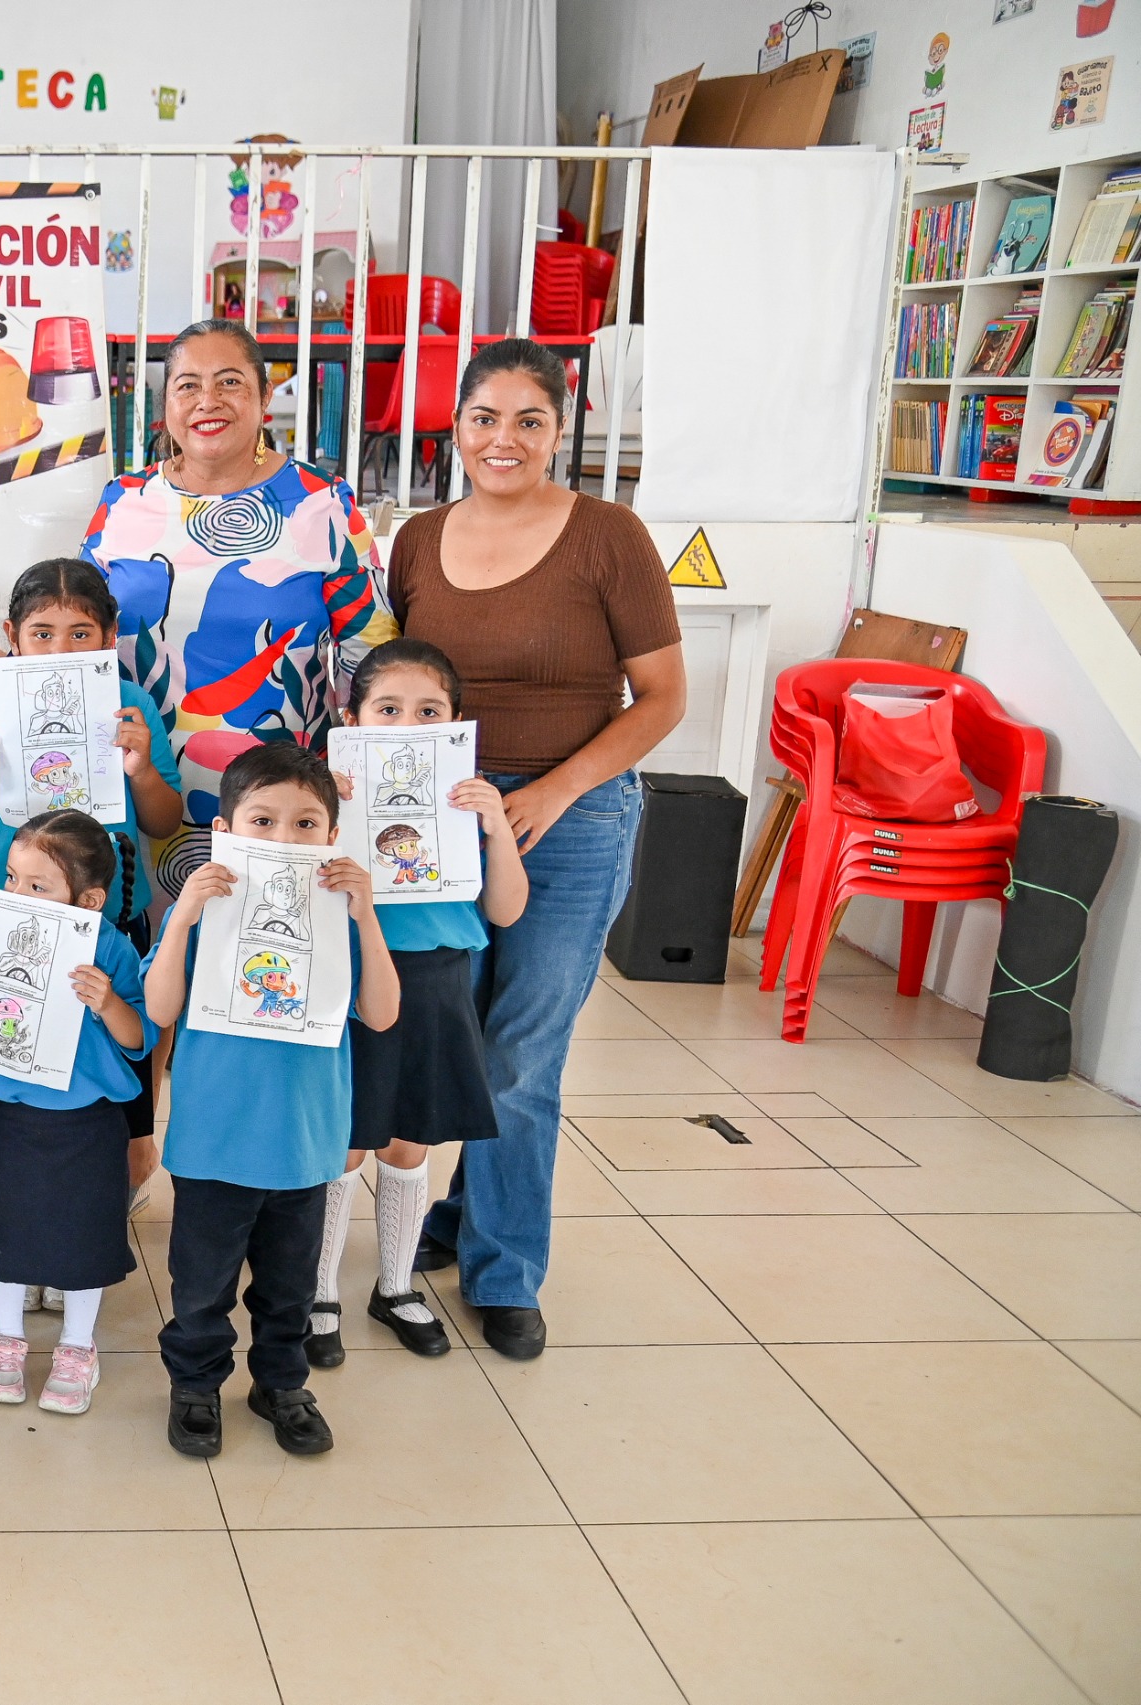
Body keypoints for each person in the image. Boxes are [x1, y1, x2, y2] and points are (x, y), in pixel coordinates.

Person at [387, 339, 684, 1360]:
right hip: (442, 821)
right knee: (457, 1032)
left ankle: (503, 1269)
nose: (501, 439)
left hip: (573, 817)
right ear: (455, 427)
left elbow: (664, 699)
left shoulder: (609, 536)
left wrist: (556, 789)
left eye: (527, 420)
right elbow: (407, 687)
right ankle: (460, 1215)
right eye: (483, 417)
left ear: (561, 430)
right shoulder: (417, 540)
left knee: (522, 1053)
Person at [144, 744, 397, 1459]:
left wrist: (369, 917)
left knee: (291, 1287)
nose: (283, 839)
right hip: (214, 1140)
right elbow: (159, 1008)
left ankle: (280, 1381)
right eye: (262, 820)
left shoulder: (343, 916)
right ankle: (194, 1383)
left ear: (331, 836)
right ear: (225, 828)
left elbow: (381, 1014)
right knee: (201, 1285)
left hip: (304, 1143)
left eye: (305, 823)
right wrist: (184, 917)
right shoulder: (205, 908)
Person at [0, 559, 182, 1218]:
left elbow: (163, 818)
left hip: (107, 922)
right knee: (4, 1066)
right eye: (42, 632)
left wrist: (143, 766)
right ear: (11, 633)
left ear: (109, 634)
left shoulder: (132, 706)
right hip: (1, 921)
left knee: (109, 1061)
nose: (60, 648)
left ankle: (109, 1191)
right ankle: (15, 1205)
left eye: (79, 632)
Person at [81, 318, 395, 830]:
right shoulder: (123, 500)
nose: (208, 400)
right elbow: (78, 627)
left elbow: (370, 656)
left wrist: (362, 771)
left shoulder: (322, 503)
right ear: (167, 405)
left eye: (230, 381)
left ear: (265, 396)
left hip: (283, 804)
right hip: (136, 786)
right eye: (188, 386)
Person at [308, 640, 527, 1364]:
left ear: (455, 721)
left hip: (438, 980)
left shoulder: (469, 799)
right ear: (353, 715)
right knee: (344, 1142)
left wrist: (496, 826)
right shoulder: (325, 793)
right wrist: (324, 808)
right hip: (351, 979)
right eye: (388, 709)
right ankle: (318, 1291)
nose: (406, 725)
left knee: (411, 1140)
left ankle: (396, 1284)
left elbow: (504, 910)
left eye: (427, 711)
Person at [0, 810, 158, 1417]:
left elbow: (139, 1039)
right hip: (12, 1114)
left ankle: (76, 1345)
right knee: (7, 1229)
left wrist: (108, 1000)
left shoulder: (113, 949)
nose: (18, 894)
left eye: (38, 885)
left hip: (88, 1119)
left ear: (90, 899)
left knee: (84, 1235)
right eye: (13, 879)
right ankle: (7, 1335)